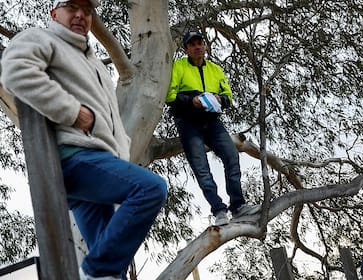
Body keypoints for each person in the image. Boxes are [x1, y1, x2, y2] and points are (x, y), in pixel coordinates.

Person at [1, 0, 167, 279]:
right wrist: (72, 111)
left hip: (97, 164)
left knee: (111, 266)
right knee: (151, 189)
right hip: (74, 158)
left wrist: (119, 156)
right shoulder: (41, 38)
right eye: (71, 7)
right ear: (55, 13)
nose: (80, 15)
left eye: (87, 11)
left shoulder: (95, 64)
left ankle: (100, 272)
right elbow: (15, 71)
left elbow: (111, 120)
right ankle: (94, 272)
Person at [166, 30, 260, 226]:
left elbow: (229, 97)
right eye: (192, 44)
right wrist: (191, 100)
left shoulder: (216, 69)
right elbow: (170, 96)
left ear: (205, 46)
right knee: (201, 168)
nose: (197, 46)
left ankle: (238, 206)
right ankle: (218, 210)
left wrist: (219, 99)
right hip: (188, 122)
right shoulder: (178, 66)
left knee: (232, 157)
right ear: (186, 49)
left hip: (212, 121)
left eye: (200, 43)